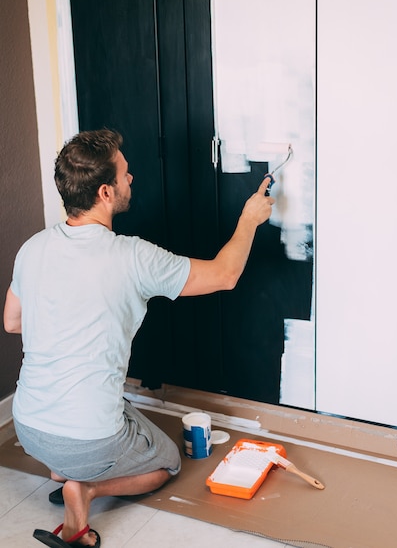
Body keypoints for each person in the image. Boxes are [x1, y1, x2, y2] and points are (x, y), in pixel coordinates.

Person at [3, 129, 274, 548]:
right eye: (126, 174)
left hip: (28, 427)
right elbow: (225, 274)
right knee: (166, 464)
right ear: (106, 192)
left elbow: (12, 323)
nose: (133, 178)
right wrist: (249, 218)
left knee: (97, 421)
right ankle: (86, 489)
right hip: (86, 436)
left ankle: (62, 471)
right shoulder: (132, 256)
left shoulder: (32, 248)